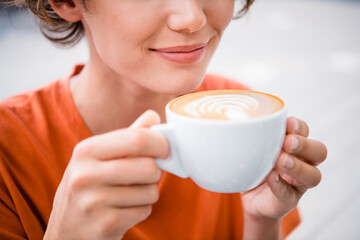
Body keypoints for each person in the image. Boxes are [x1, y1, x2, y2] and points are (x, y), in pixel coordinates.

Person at [0, 0, 327, 239]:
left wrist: (261, 223)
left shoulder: (241, 112)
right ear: (67, 2)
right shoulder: (8, 153)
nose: (192, 18)